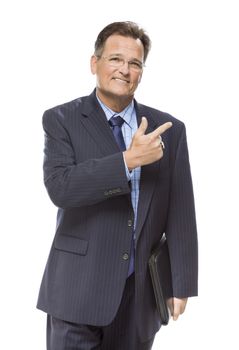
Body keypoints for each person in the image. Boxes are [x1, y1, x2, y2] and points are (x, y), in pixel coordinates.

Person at [37, 21, 198, 350]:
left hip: (139, 295)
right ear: (94, 64)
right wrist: (128, 160)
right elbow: (61, 187)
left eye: (135, 63)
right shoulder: (61, 120)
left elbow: (181, 211)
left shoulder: (169, 130)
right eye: (115, 59)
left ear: (141, 71)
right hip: (77, 291)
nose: (124, 70)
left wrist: (181, 284)